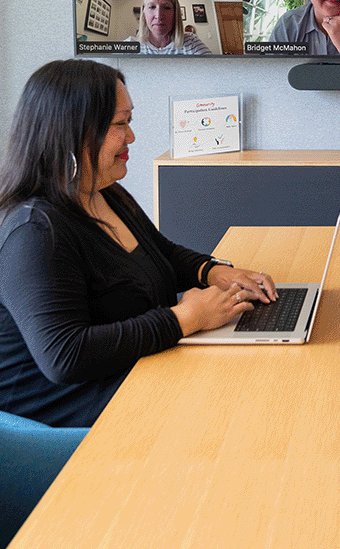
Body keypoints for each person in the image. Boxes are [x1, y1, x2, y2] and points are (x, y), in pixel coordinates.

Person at [0, 60, 278, 427]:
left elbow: (161, 253)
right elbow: (66, 356)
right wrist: (184, 319)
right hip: (70, 421)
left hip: (135, 377)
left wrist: (214, 272)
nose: (131, 137)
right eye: (120, 124)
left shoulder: (104, 192)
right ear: (74, 132)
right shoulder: (35, 231)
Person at [127, 0, 212, 55]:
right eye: (152, 7)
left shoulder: (191, 42)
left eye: (167, 7)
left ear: (175, 13)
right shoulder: (130, 45)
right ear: (144, 13)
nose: (159, 15)